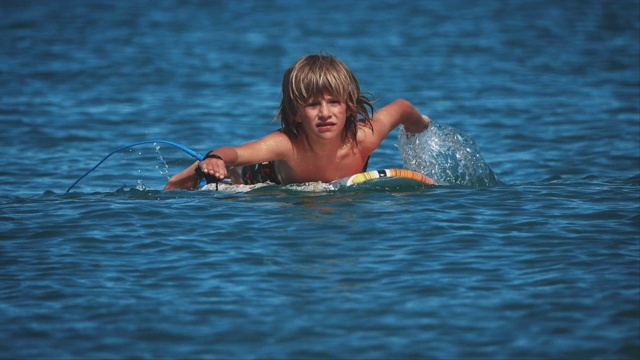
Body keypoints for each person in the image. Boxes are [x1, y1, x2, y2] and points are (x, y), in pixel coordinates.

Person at [164, 53, 433, 191]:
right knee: (228, 173)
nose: (325, 113)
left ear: (350, 108)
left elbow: (401, 108)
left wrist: (419, 125)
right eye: (313, 104)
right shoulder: (286, 145)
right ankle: (194, 169)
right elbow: (235, 153)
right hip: (263, 178)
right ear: (295, 114)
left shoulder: (365, 137)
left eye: (334, 102)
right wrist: (215, 159)